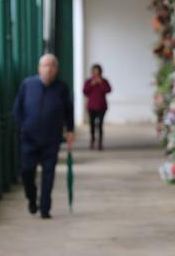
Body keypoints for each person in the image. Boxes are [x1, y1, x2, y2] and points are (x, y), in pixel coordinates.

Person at [13, 54, 75, 218]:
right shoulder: (27, 85)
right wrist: (23, 127)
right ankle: (32, 197)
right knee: (27, 171)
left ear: (56, 70)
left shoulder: (62, 88)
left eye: (52, 66)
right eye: (45, 65)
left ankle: (45, 207)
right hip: (29, 139)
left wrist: (70, 130)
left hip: (51, 139)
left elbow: (69, 110)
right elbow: (17, 108)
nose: (48, 69)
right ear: (39, 68)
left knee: (49, 174)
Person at [83, 64, 112, 151]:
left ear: (100, 72)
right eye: (94, 72)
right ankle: (92, 140)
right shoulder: (89, 81)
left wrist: (101, 83)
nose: (96, 73)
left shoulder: (104, 81)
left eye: (97, 72)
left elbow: (108, 90)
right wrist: (92, 84)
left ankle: (100, 142)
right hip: (91, 106)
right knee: (92, 124)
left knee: (100, 125)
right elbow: (85, 91)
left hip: (101, 106)